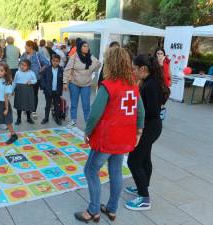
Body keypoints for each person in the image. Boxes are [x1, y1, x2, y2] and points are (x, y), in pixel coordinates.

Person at [74, 47, 144, 223]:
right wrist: (139, 131)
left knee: (90, 170)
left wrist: (87, 131)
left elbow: (95, 113)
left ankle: (93, 211)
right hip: (124, 138)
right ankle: (112, 209)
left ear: (110, 64)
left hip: (108, 139)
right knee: (116, 171)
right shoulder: (133, 86)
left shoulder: (108, 86)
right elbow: (140, 111)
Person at [124, 54, 165, 211]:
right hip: (151, 126)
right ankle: (142, 186)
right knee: (144, 158)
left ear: (143, 69)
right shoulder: (149, 81)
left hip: (149, 127)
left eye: (134, 69)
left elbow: (152, 110)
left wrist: (135, 113)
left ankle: (144, 198)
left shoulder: (150, 84)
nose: (133, 72)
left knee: (133, 162)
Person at [63, 41, 101, 127]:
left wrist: (92, 70)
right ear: (80, 47)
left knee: (86, 105)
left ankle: (87, 122)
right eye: (84, 46)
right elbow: (67, 69)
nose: (86, 48)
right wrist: (65, 82)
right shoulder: (74, 57)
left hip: (86, 85)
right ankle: (73, 120)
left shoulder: (91, 57)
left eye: (87, 46)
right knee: (74, 103)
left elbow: (99, 64)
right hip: (74, 84)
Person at [20, 40, 50, 120]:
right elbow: (20, 64)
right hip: (25, 79)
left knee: (34, 95)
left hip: (35, 79)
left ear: (30, 47)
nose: (25, 47)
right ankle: (27, 109)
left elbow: (47, 63)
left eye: (26, 46)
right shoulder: (24, 54)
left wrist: (41, 70)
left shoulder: (38, 54)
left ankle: (33, 111)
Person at [40, 54, 64, 125]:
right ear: (51, 61)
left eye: (57, 61)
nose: (55, 62)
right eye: (53, 61)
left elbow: (63, 80)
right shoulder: (47, 69)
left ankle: (57, 118)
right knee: (48, 105)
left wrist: (61, 89)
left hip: (57, 91)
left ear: (59, 62)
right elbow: (42, 78)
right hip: (48, 91)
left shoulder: (61, 70)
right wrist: (44, 87)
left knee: (57, 106)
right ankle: (46, 118)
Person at [13, 59, 37, 125]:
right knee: (19, 104)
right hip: (19, 90)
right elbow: (14, 82)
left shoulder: (31, 73)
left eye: (24, 65)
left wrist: (31, 81)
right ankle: (19, 118)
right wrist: (12, 90)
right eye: (21, 65)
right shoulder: (17, 72)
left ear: (28, 67)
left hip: (28, 90)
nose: (22, 66)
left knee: (28, 104)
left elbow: (35, 80)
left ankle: (29, 118)